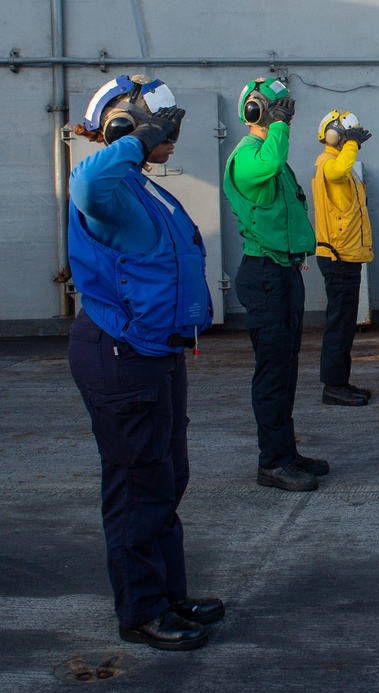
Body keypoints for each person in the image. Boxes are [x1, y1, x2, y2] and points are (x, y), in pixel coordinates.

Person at [67, 74, 223, 650]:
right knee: (138, 483)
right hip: (120, 353)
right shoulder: (108, 182)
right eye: (164, 125)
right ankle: (141, 610)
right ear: (126, 124)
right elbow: (85, 183)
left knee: (167, 476)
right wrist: (133, 138)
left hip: (157, 351)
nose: (172, 135)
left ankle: (168, 593)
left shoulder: (141, 185)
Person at [224, 77, 328, 492]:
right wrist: (279, 128)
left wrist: (279, 129)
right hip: (264, 274)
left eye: (287, 109)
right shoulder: (250, 155)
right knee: (271, 372)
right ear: (254, 112)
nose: (285, 116)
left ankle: (286, 452)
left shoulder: (273, 154)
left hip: (283, 271)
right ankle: (272, 463)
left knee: (285, 368)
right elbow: (266, 167)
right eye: (277, 109)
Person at [312, 109, 374, 407]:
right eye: (348, 135)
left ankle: (340, 382)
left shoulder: (341, 164)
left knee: (345, 323)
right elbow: (337, 171)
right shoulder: (329, 163)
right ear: (335, 134)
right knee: (339, 323)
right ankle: (333, 387)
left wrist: (348, 145)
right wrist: (351, 144)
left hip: (346, 254)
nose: (353, 142)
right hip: (338, 256)